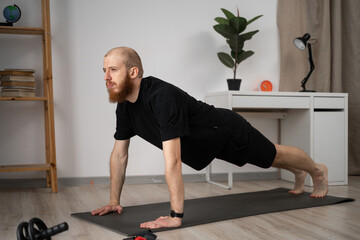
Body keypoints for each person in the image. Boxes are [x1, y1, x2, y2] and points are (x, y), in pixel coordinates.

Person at [91, 46, 328, 229]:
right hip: (207, 143)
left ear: (133, 72)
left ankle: (316, 170)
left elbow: (172, 160)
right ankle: (298, 171)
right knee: (269, 159)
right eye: (104, 70)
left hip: (225, 131)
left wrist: (176, 216)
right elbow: (119, 155)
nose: (106, 77)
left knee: (272, 155)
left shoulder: (161, 97)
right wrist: (114, 201)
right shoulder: (124, 107)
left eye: (113, 70)